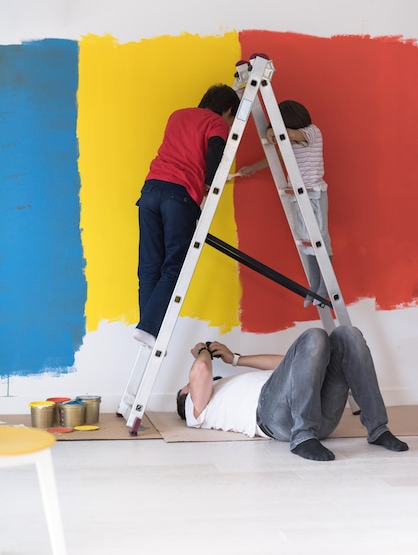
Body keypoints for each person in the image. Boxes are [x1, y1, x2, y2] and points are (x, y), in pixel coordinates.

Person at [176, 326, 409, 461]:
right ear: (186, 393)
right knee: (314, 335)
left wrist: (236, 359)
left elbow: (289, 362)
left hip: (315, 414)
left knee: (348, 335)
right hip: (271, 417)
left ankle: (378, 428)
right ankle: (303, 437)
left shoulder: (230, 383)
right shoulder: (195, 409)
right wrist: (202, 351)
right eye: (186, 385)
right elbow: (202, 369)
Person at [134, 84, 240, 348]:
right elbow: (216, 151)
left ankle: (146, 327)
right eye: (231, 116)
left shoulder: (178, 115)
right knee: (173, 266)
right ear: (228, 109)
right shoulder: (217, 122)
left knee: (149, 265)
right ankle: (148, 327)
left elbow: (181, 149)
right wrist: (211, 181)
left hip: (150, 190)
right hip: (178, 196)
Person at [237, 100, 331, 307]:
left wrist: (274, 130)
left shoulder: (312, 132)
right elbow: (276, 151)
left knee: (319, 239)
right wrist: (253, 167)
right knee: (305, 241)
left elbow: (290, 135)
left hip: (314, 193)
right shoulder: (290, 141)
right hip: (298, 195)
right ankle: (315, 285)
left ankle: (325, 285)